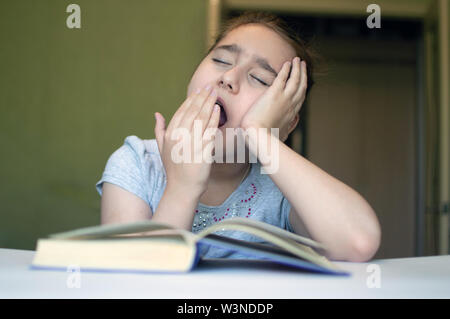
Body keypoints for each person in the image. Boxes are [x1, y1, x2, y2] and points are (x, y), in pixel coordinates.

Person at [96, 11, 381, 262]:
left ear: (285, 124)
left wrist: (261, 133)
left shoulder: (279, 188)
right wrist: (181, 189)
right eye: (221, 60)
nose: (229, 77)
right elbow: (128, 281)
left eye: (259, 78)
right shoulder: (136, 163)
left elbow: (358, 242)